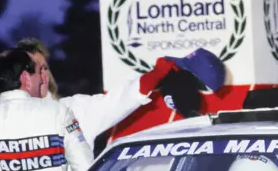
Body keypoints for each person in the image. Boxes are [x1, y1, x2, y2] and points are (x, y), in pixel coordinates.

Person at [16, 38, 224, 152]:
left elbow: (124, 98)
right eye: (31, 70)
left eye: (43, 68)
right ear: (18, 75)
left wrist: (158, 74)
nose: (40, 76)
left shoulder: (73, 110)